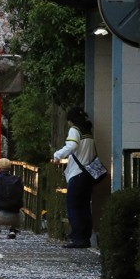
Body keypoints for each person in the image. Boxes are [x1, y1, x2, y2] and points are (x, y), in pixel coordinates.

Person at [53, 106, 98, 248]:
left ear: (70, 120)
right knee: (84, 206)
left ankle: (77, 238)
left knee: (73, 206)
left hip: (77, 173)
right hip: (88, 174)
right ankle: (85, 237)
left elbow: (72, 145)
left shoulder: (75, 130)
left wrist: (57, 155)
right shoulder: (88, 133)